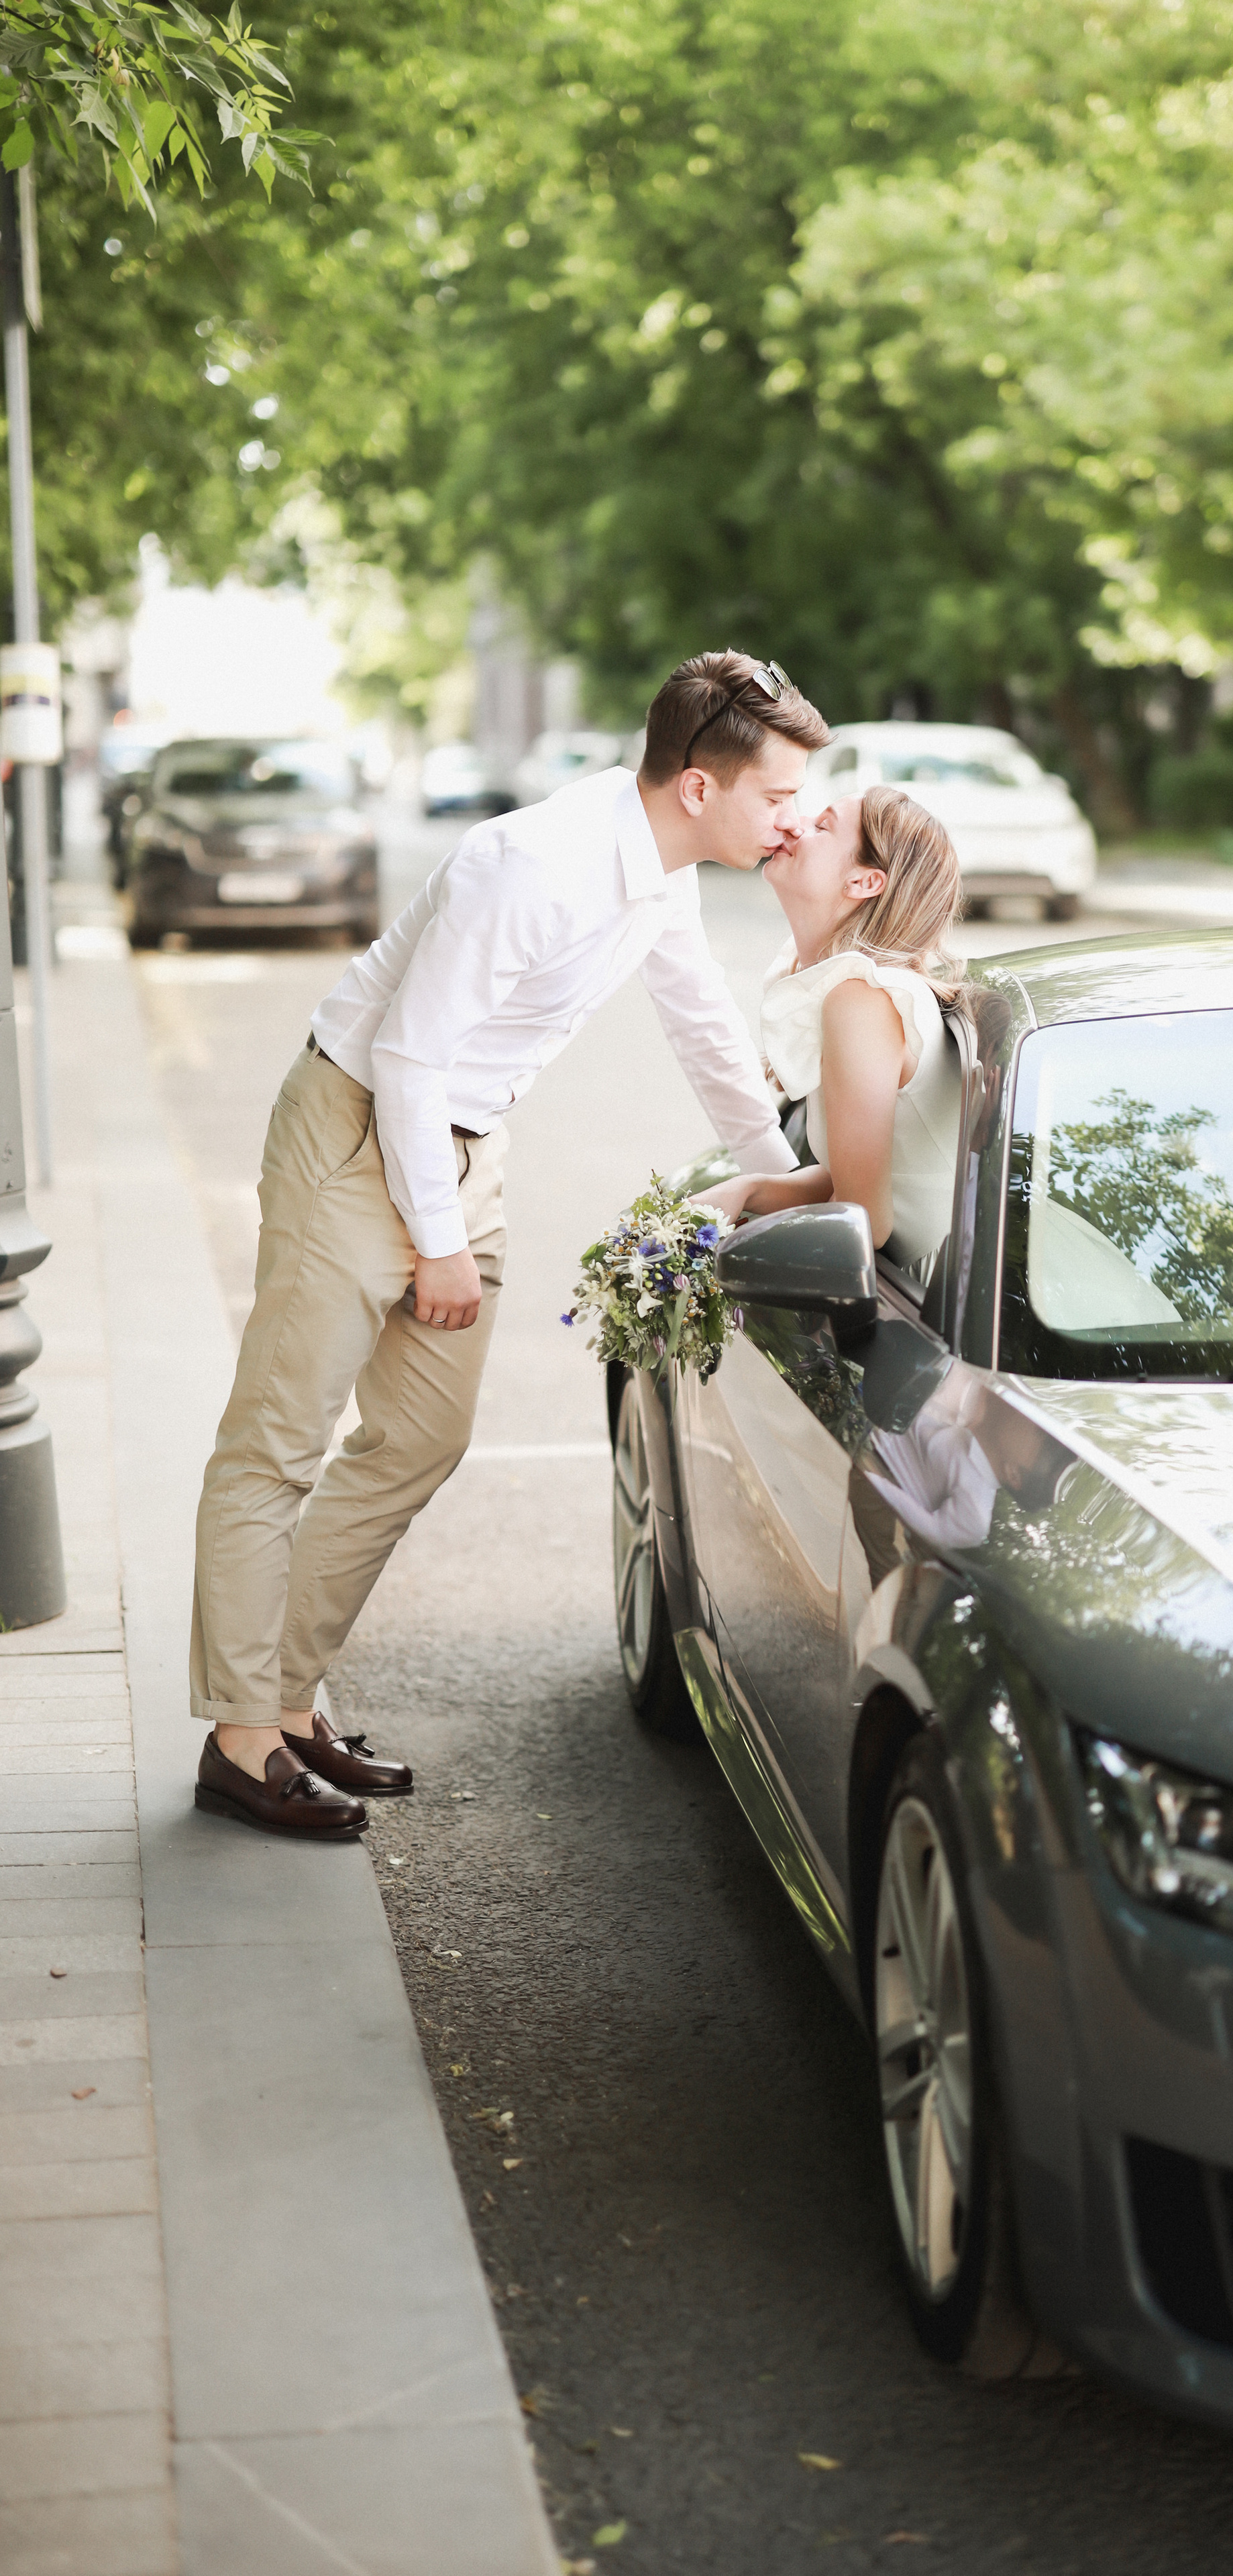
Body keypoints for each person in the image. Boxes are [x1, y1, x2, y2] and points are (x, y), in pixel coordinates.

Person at [190, 651, 827, 1840]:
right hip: (358, 1132)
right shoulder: (529, 864)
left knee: (422, 1440)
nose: (795, 820)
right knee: (276, 1442)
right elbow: (409, 1057)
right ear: (701, 786)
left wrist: (787, 1174)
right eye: (778, 796)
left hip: (462, 1144)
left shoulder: (664, 876)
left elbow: (702, 1032)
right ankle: (239, 1740)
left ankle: (281, 1698)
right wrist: (437, 1239)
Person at [693, 785, 966, 1270]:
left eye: (823, 827)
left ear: (865, 882)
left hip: (944, 1290)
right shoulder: (853, 993)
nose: (795, 825)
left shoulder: (863, 999)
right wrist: (748, 1189)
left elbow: (864, 1218)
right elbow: (860, 1178)